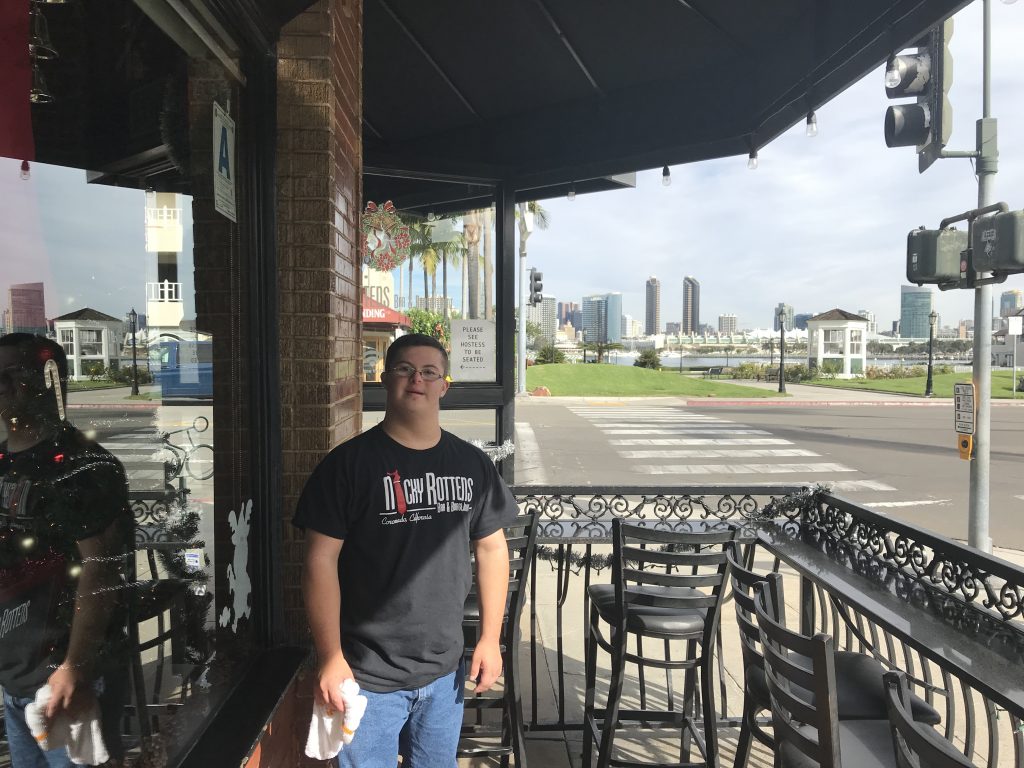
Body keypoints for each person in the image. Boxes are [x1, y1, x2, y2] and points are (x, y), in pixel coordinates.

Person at [294, 333, 518, 767]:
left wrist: (490, 640)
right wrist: (331, 656)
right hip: (367, 674)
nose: (417, 379)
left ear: (443, 386)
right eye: (404, 369)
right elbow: (319, 561)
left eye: (429, 372)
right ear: (384, 379)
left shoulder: (471, 464)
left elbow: (492, 550)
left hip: (444, 672)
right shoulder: (346, 465)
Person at [0, 333, 131, 767]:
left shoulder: (83, 465)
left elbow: (102, 566)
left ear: (49, 381)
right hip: (15, 674)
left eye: (15, 373)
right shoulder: (4, 462)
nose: (2, 385)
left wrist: (76, 665)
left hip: (68, 679)